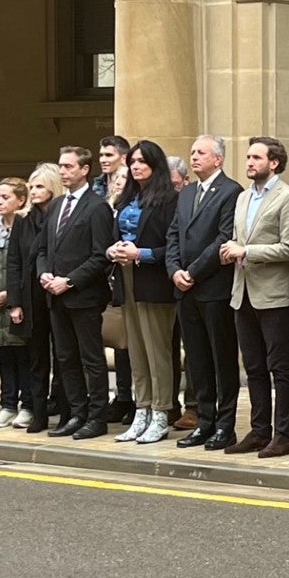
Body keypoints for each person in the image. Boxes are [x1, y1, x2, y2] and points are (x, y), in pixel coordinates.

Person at [221, 136, 289, 458]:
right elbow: (239, 238)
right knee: (253, 366)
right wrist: (230, 250)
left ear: (274, 163)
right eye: (249, 157)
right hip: (243, 293)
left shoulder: (287, 197)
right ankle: (258, 430)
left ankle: (283, 434)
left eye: (256, 157)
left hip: (275, 295)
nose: (249, 162)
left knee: (279, 366)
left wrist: (247, 250)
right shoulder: (242, 198)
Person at [38, 145, 117, 441]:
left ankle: (97, 417)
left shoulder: (97, 207)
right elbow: (44, 248)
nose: (63, 172)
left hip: (82, 296)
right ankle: (75, 412)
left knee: (91, 358)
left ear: (85, 170)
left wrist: (69, 281)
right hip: (54, 295)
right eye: (61, 166)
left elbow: (100, 256)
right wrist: (43, 272)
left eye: (69, 166)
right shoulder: (57, 205)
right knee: (65, 357)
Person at [168, 135, 240, 450]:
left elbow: (223, 238)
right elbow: (173, 234)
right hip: (185, 291)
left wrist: (193, 272)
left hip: (213, 289)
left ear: (218, 159)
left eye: (201, 152)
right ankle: (204, 421)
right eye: (192, 152)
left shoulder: (230, 191)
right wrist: (174, 271)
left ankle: (225, 425)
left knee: (221, 359)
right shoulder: (185, 195)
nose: (194, 157)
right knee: (197, 360)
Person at [105, 140, 178, 445]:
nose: (135, 166)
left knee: (156, 349)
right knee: (135, 350)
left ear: (155, 164)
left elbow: (173, 248)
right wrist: (112, 250)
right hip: (125, 276)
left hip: (154, 279)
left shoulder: (169, 200)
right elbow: (116, 234)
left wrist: (141, 254)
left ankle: (161, 412)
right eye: (132, 161)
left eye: (142, 161)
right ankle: (142, 409)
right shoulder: (125, 198)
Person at [0, 178, 34, 430]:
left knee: (23, 354)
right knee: (4, 355)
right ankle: (7, 404)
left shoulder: (26, 226)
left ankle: (27, 405)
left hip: (17, 300)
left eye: (6, 197)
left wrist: (11, 294)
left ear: (21, 200)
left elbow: (24, 266)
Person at [16, 165, 65, 433]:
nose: (33, 192)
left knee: (63, 355)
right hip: (31, 296)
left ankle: (64, 407)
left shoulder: (61, 216)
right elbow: (14, 262)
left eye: (39, 187)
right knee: (36, 357)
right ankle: (38, 412)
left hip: (57, 291)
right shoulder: (23, 221)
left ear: (52, 188)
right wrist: (15, 302)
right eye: (31, 187)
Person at [96, 134, 135, 421]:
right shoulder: (97, 190)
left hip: (128, 274)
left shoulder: (130, 205)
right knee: (114, 339)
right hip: (103, 275)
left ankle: (134, 398)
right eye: (101, 156)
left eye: (109, 155)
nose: (104, 160)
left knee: (128, 339)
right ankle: (120, 396)